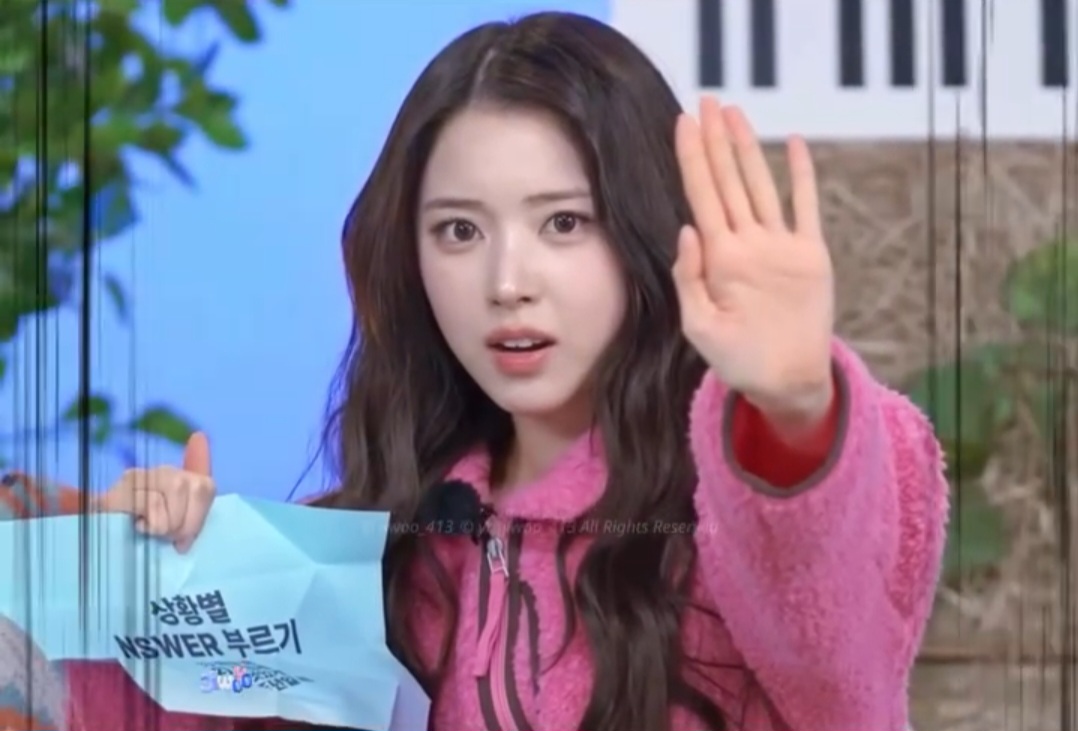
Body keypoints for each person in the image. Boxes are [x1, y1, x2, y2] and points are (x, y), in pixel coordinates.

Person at [0, 11, 947, 731]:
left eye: (563, 222)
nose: (506, 281)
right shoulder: (374, 559)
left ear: (647, 230)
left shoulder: (756, 511)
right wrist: (126, 582)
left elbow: (839, 653)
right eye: (459, 230)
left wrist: (793, 410)